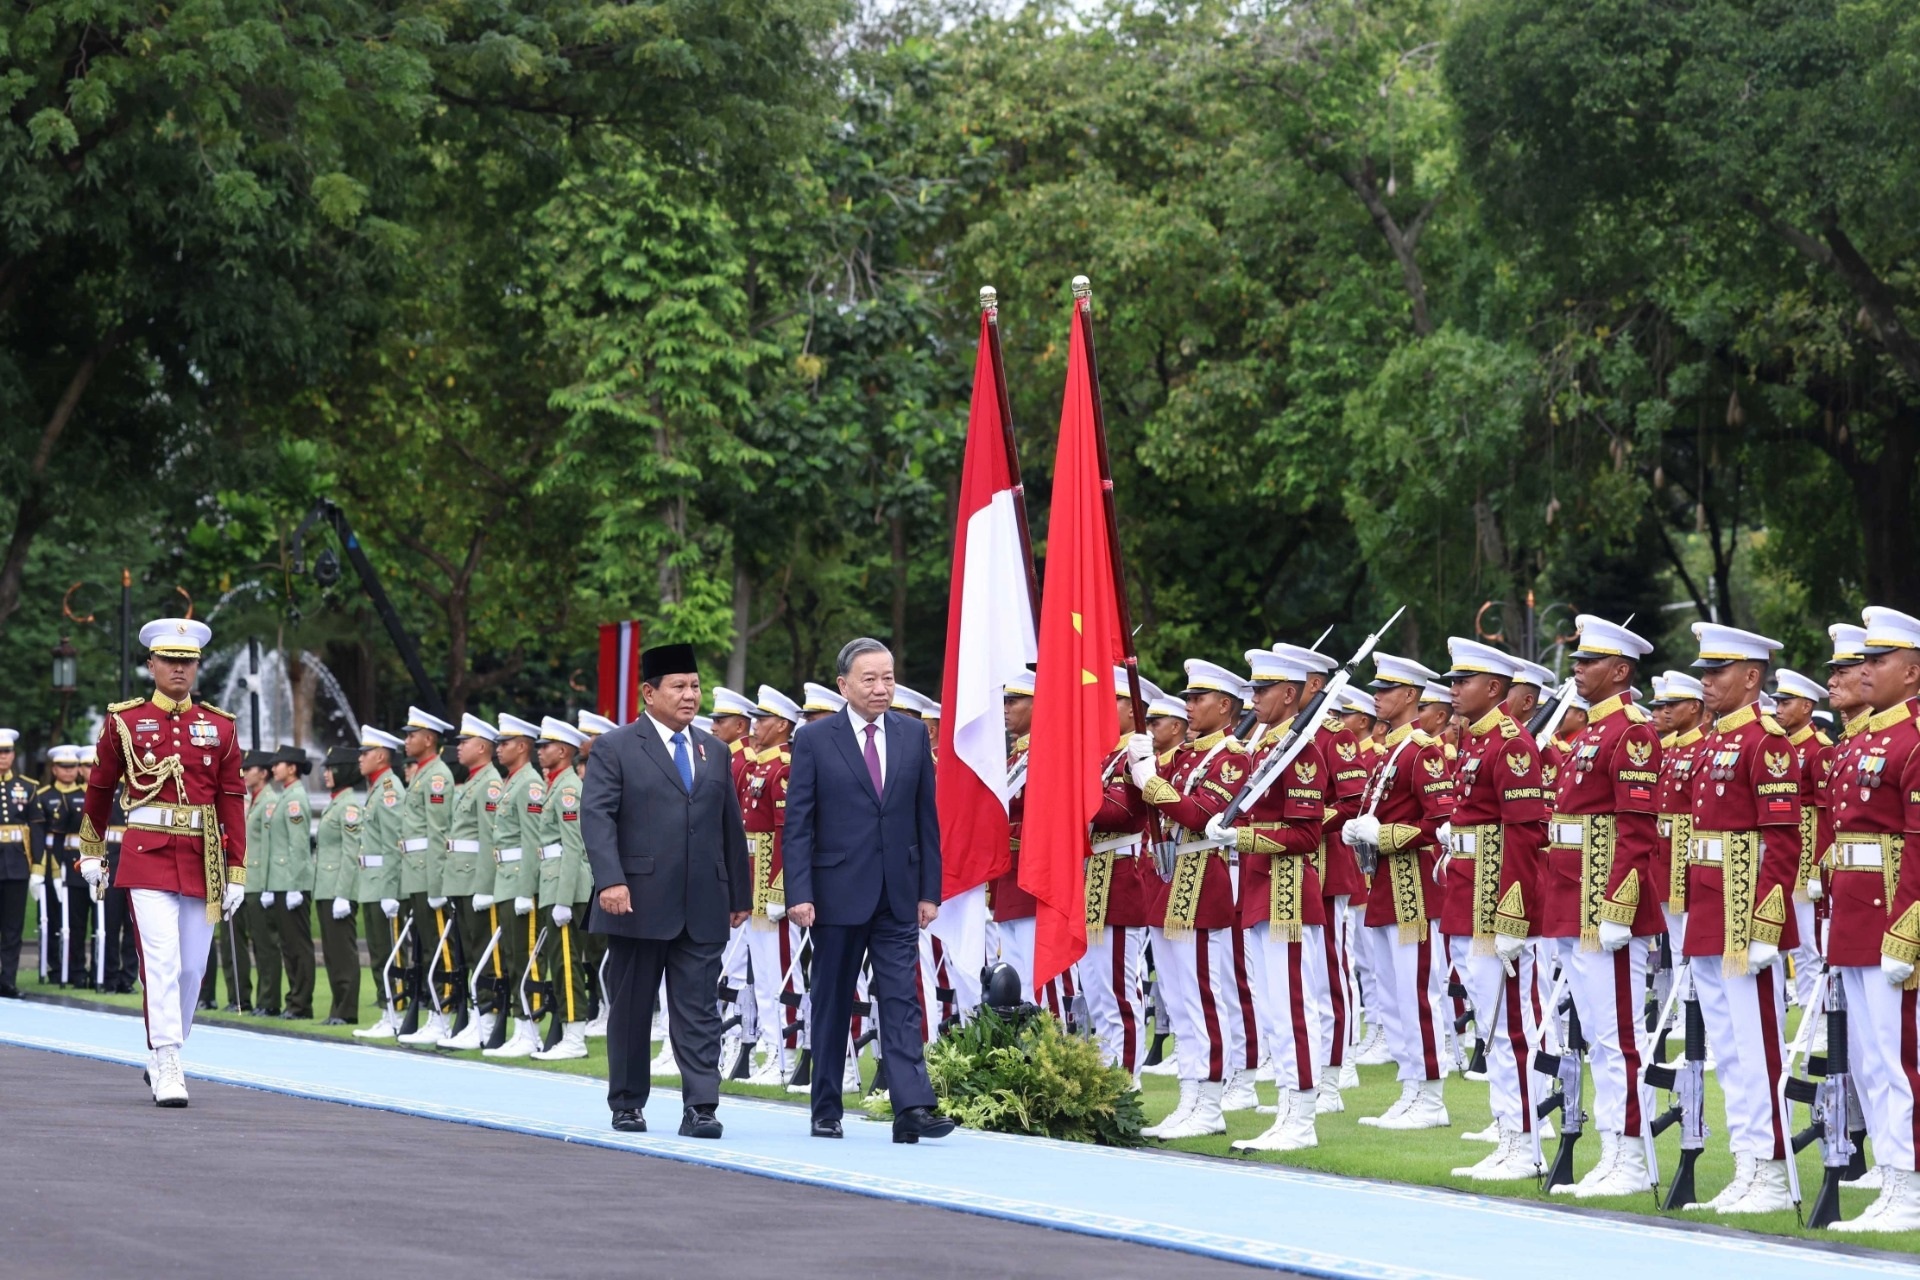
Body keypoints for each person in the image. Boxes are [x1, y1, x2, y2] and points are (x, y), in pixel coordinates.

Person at [782, 636, 950, 1144]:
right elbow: (798, 825)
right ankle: (826, 1106)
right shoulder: (815, 740)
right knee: (832, 1001)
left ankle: (912, 1108)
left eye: (888, 678)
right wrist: (799, 893)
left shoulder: (911, 736)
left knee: (901, 1000)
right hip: (835, 894)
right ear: (844, 686)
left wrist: (930, 890)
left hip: (898, 892)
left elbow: (926, 817)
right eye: (870, 679)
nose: (881, 688)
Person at [76, 617, 247, 1105]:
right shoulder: (124, 721)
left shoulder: (220, 726)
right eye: (169, 660)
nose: (178, 669)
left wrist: (236, 870)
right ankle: (168, 1057)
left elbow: (232, 798)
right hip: (146, 852)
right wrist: (92, 851)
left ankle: (166, 1050)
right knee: (162, 962)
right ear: (151, 664)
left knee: (193, 968)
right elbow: (101, 788)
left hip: (202, 857)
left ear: (197, 666)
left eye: (186, 662)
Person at [583, 643, 751, 1137]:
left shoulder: (713, 750)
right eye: (678, 686)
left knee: (699, 1009)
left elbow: (729, 826)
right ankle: (628, 1102)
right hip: (635, 900)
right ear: (648, 693)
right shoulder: (615, 747)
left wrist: (740, 894)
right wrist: (610, 879)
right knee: (634, 1008)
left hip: (702, 900)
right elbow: (597, 818)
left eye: (695, 686)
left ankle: (701, 1106)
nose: (690, 695)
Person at [1678, 621, 1801, 1214]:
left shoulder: (1766, 742)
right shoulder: (1711, 741)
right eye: (1703, 671)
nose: (1706, 681)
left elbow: (1782, 842)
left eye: (1717, 671)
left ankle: (1771, 1171)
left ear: (1752, 678)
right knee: (1728, 1050)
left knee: (1758, 1049)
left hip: (1744, 916)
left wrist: (1766, 926)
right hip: (1708, 907)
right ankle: (1748, 1165)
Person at [1544, 615, 1663, 1198]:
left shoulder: (1633, 732)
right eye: (1578, 660)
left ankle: (1629, 1154)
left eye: (1589, 661)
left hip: (1605, 907)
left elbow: (1638, 830)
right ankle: (1613, 1151)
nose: (1577, 668)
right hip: (1572, 896)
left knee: (1618, 1038)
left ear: (1620, 671)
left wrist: (1618, 908)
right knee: (1596, 1035)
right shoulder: (1589, 732)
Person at [1438, 639, 1548, 1181]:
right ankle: (1508, 1134)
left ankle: (1524, 1142)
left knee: (1509, 1030)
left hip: (1491, 906)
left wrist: (1512, 919)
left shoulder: (1511, 744)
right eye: (1454, 680)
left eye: (1464, 680)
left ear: (1495, 689)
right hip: (1464, 894)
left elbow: (1525, 837)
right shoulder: (1476, 743)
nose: (1454, 688)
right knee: (1490, 1028)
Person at [1212, 648, 1329, 1153]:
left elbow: (1307, 835)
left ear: (1289, 694)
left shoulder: (1301, 750)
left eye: (1262, 691)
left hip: (1286, 893)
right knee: (1272, 1008)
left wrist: (1243, 839)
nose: (1253, 699)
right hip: (1258, 889)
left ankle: (1301, 1117)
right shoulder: (1264, 748)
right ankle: (1286, 1108)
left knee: (1291, 1008)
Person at [1129, 659, 1250, 1140]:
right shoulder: (1184, 756)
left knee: (1203, 998)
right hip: (1168, 879)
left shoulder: (1232, 757)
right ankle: (1189, 1096)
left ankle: (1211, 1101)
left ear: (1224, 706)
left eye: (1198, 698)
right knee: (1177, 1001)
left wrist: (1148, 779)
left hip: (1202, 880)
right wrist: (1134, 761)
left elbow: (1199, 813)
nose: (1188, 705)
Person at [1835, 607, 1920, 1232]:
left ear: (1913, 672)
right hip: (1856, 916)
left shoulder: (1914, 739)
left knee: (1900, 1060)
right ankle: (1893, 1180)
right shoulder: (1866, 739)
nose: (1866, 671)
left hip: (1893, 916)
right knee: (1871, 1060)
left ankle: (1910, 1185)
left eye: (1879, 660)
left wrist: (1907, 929)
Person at [1344, 653, 1455, 1131]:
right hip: (1384, 886)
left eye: (1387, 690)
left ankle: (1430, 1095)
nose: (1377, 697)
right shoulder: (1390, 750)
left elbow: (1439, 824)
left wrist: (1380, 835)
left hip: (1413, 889)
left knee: (1417, 995)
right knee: (1391, 997)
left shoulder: (1423, 750)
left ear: (1410, 696)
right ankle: (1411, 1087)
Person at [736, 685, 805, 1083]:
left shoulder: (783, 770)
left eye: (762, 719)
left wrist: (780, 888)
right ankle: (768, 1047)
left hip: (769, 886)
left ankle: (786, 1052)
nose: (754, 725)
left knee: (781, 974)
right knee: (760, 976)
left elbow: (785, 832)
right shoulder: (754, 768)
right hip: (750, 883)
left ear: (781, 725)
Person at [482, 714, 550, 1059]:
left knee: (526, 959)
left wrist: (526, 889)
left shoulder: (529, 784)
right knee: (510, 957)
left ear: (522, 746)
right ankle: (520, 1023)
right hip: (505, 880)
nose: (498, 749)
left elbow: (531, 840)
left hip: (520, 881)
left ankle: (531, 1026)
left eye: (505, 743)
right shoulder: (512, 782)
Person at [437, 713, 506, 1051]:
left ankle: (489, 1018)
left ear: (482, 747)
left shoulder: (490, 784)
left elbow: (489, 839)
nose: (459, 748)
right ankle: (478, 1017)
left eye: (465, 743)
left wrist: (485, 885)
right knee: (467, 952)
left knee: (484, 953)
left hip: (476, 881)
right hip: (461, 879)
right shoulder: (475, 781)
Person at [530, 716, 593, 1061]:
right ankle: (569, 1031)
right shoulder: (556, 784)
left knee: (568, 964)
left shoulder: (568, 788)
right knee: (560, 961)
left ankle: (575, 1036)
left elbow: (573, 845)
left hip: (565, 887)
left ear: (564, 750)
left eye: (546, 746)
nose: (540, 751)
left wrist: (564, 899)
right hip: (554, 882)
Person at [397, 707, 458, 1045]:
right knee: (425, 947)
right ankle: (435, 1011)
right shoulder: (422, 773)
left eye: (412, 735)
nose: (407, 740)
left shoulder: (437, 776)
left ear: (429, 739)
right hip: (416, 871)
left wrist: (438, 884)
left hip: (427, 873)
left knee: (439, 948)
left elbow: (438, 834)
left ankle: (443, 1013)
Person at [1772, 666, 1830, 1015]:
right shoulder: (1776, 746)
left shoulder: (1819, 749)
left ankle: (1814, 1011)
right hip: (1780, 860)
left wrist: (1815, 868)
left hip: (1805, 862)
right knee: (1776, 940)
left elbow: (1825, 814)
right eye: (1777, 701)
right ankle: (1783, 1004)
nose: (1778, 707)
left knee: (1807, 945)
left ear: (1806, 706)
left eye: (1786, 701)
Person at [351, 727, 408, 1039]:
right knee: (377, 952)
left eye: (365, 753)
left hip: (383, 882)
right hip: (371, 881)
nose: (360, 758)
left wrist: (390, 891)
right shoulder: (376, 789)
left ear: (382, 756)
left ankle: (396, 1011)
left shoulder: (389, 790)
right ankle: (388, 1010)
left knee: (390, 952)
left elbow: (393, 844)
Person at [262, 745, 315, 1019]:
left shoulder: (295, 799)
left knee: (298, 946)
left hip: (292, 883)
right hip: (281, 882)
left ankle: (301, 1003)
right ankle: (294, 999)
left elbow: (298, 846)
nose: (274, 768)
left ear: (292, 767)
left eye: (278, 764)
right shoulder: (286, 797)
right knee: (288, 946)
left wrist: (296, 884)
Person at [313, 746, 362, 1025]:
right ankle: (337, 1008)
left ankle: (347, 1010)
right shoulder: (336, 803)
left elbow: (350, 852)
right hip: (326, 888)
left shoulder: (349, 806)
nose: (327, 774)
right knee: (332, 953)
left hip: (338, 890)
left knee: (343, 953)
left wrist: (344, 894)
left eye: (332, 769)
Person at [0, 728, 37, 997]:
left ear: (14, 754)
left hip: (16, 865)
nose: (3, 756)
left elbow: (36, 828)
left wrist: (36, 868)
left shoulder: (27, 787)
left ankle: (8, 982)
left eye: (7, 751)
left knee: (13, 928)